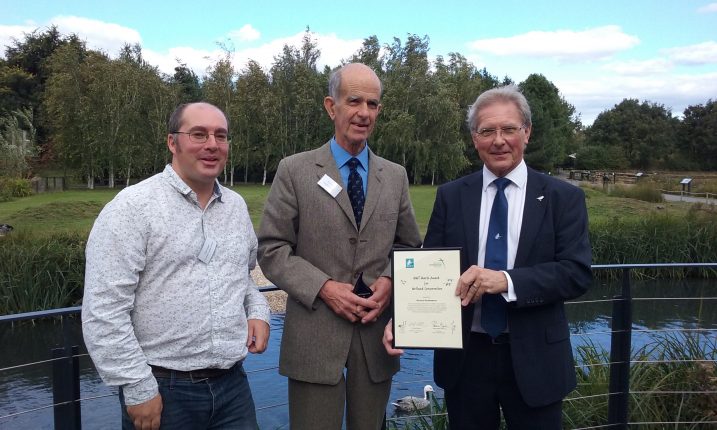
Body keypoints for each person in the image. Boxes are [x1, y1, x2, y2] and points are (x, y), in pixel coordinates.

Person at [383, 85, 592, 429]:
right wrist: (401, 318)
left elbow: (576, 273)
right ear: (474, 138)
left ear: (527, 133)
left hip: (536, 359)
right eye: (487, 131)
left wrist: (506, 281)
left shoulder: (562, 198)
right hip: (466, 359)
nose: (499, 140)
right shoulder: (451, 196)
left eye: (509, 129)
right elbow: (428, 266)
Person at [82, 102, 271, 430]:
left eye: (220, 136)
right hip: (163, 392)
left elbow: (241, 275)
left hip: (233, 389)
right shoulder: (132, 209)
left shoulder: (236, 208)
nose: (212, 144)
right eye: (198, 134)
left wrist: (257, 311)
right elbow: (103, 311)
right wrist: (137, 387)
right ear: (173, 142)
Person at [257, 63, 422, 430]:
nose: (364, 113)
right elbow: (272, 248)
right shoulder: (294, 170)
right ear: (331, 107)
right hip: (314, 337)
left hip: (375, 338)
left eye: (373, 104)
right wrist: (325, 288)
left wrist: (391, 280)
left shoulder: (394, 176)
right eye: (354, 101)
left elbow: (409, 245)